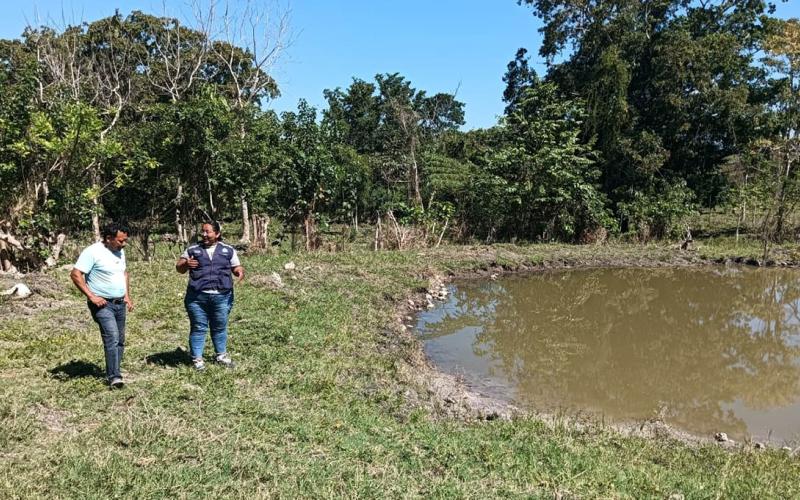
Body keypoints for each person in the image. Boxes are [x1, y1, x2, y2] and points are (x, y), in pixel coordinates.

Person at [70, 223, 133, 389]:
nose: (124, 244)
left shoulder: (120, 251)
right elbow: (76, 274)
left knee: (120, 340)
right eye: (120, 241)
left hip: (119, 303)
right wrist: (92, 296)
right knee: (111, 336)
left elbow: (124, 273)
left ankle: (115, 369)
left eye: (125, 240)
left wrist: (127, 295)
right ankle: (114, 376)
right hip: (102, 304)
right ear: (108, 238)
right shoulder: (92, 252)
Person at [175, 221, 244, 370]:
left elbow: (236, 266)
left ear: (217, 234)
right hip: (197, 298)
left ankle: (221, 356)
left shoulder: (228, 250)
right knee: (199, 327)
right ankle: (197, 359)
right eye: (203, 232)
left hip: (222, 296)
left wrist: (239, 271)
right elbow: (179, 268)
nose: (204, 235)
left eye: (208, 232)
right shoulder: (193, 249)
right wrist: (186, 264)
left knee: (219, 326)